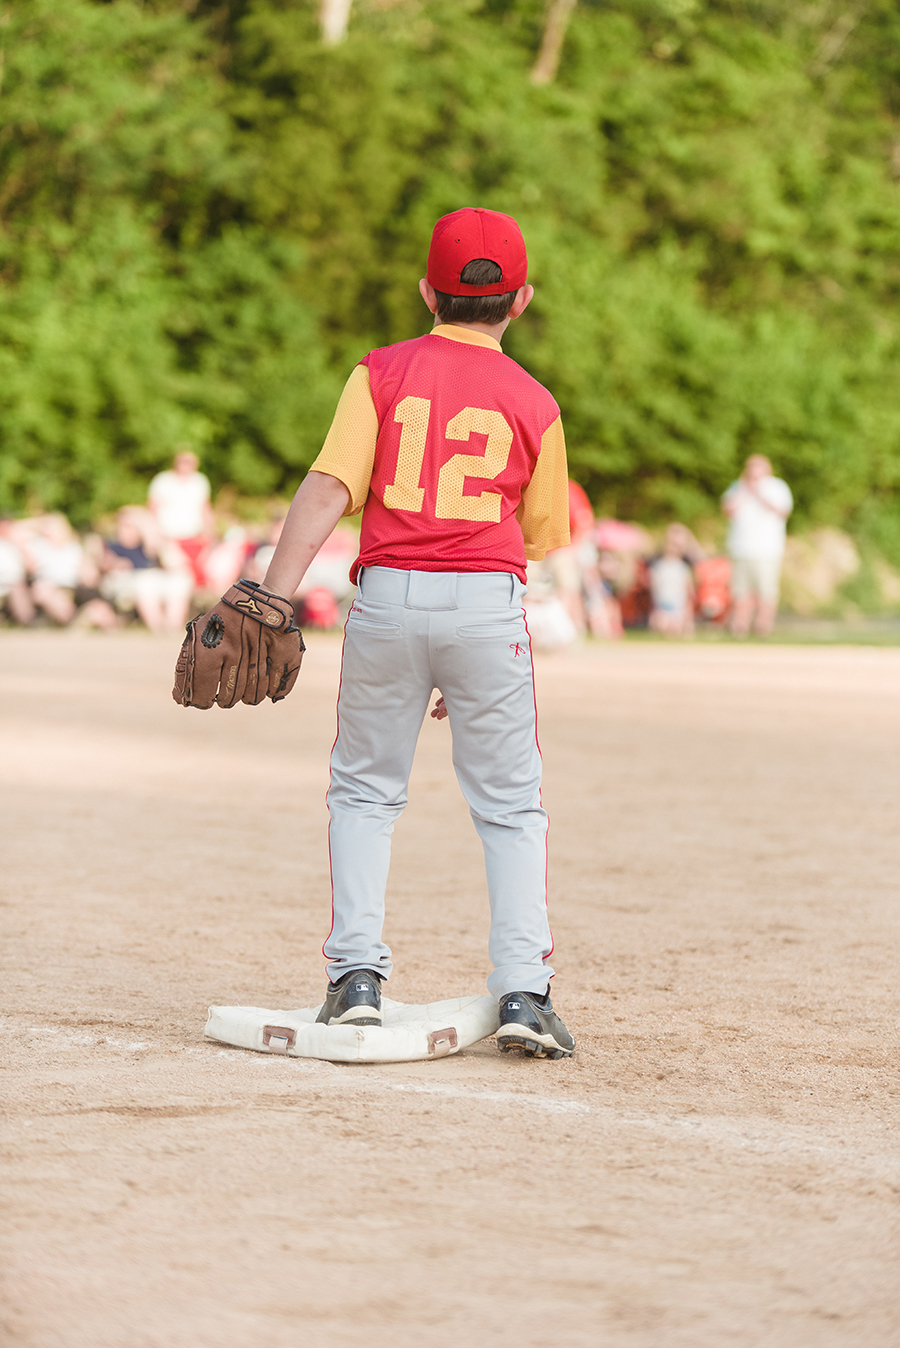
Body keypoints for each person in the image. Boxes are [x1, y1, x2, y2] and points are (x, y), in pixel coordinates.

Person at [253, 208, 575, 1057]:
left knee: (365, 793)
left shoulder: (381, 371)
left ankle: (356, 979)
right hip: (488, 607)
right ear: (522, 301)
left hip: (390, 600)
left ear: (427, 291)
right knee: (511, 807)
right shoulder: (536, 402)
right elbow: (538, 535)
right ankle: (524, 991)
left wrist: (271, 597)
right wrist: (462, 658)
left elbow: (330, 486)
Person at [722, 455, 793, 637]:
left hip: (767, 550)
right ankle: (740, 627)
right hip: (741, 548)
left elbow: (783, 511)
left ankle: (763, 627)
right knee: (740, 592)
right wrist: (746, 491)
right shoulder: (738, 486)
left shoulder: (777, 487)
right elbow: (727, 509)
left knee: (766, 592)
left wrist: (759, 493)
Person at [102, 507, 193, 633]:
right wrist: (116, 564)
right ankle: (158, 628)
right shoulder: (114, 546)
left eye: (131, 526)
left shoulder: (147, 547)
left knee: (180, 580)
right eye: (124, 526)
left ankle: (173, 627)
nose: (127, 530)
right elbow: (104, 566)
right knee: (146, 583)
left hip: (154, 582)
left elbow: (175, 563)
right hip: (129, 583)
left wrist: (152, 537)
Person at [147, 449, 214, 587]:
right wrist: (154, 535)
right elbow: (152, 510)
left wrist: (210, 532)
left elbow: (205, 508)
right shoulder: (163, 481)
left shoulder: (199, 481)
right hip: (168, 537)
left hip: (193, 537)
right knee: (178, 570)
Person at [649, 524, 696, 637]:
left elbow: (689, 592)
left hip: (678, 609)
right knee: (662, 628)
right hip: (661, 607)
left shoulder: (683, 567)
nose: (673, 548)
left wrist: (687, 616)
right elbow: (654, 590)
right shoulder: (658, 566)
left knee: (676, 630)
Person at [0, 517, 34, 625]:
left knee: (16, 586)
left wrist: (20, 545)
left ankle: (27, 621)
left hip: (16, 581)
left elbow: (31, 567)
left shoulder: (19, 543)